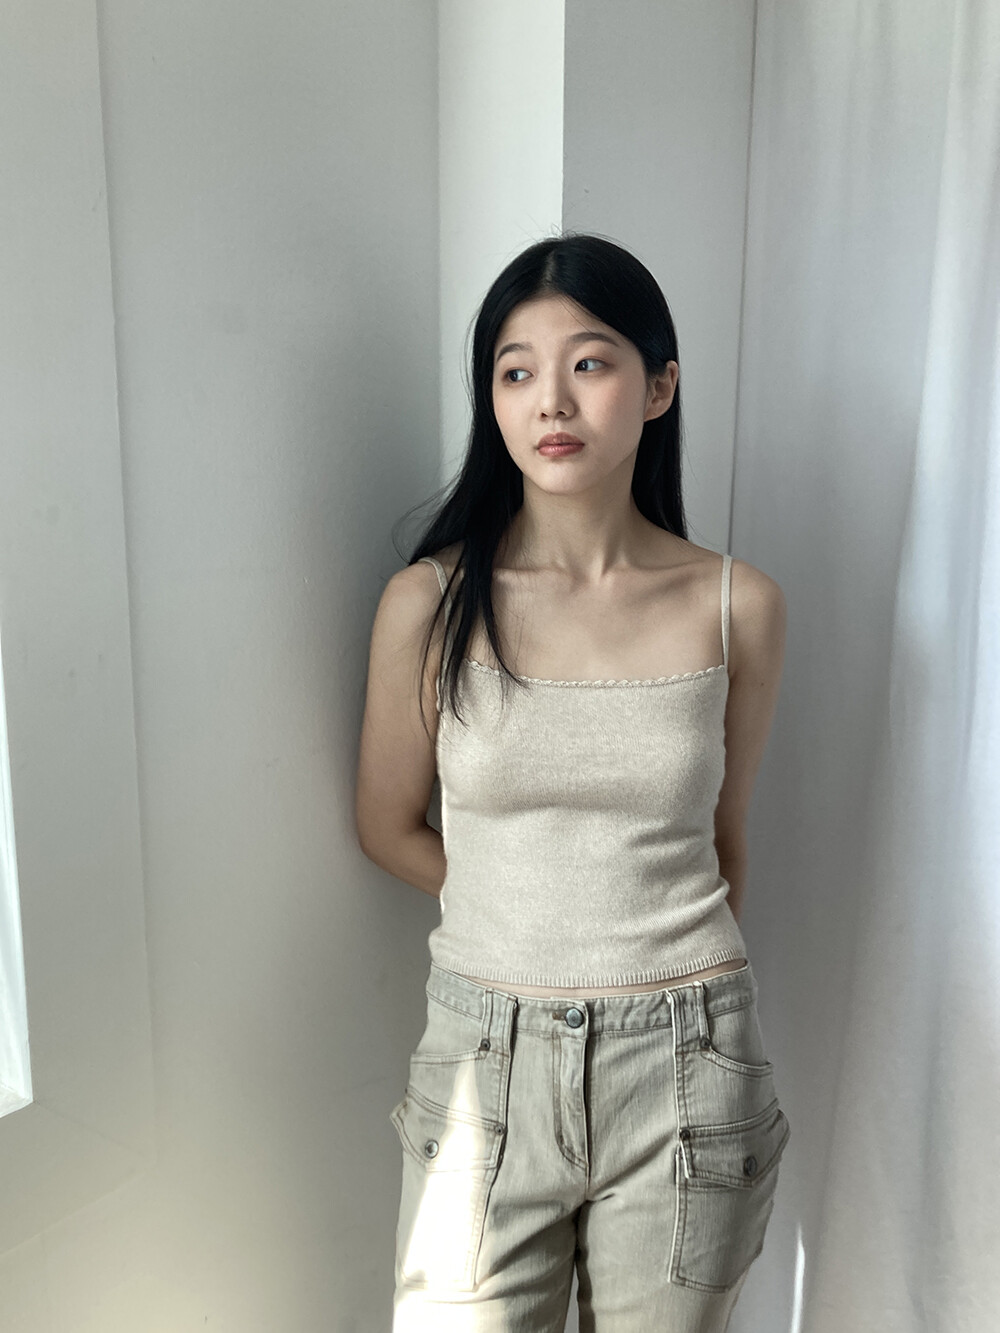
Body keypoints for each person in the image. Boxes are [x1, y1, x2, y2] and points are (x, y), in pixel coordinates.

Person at [356, 234, 790, 1332]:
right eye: (516, 371)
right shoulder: (429, 602)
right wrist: (531, 913)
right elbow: (385, 823)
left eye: (589, 362)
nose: (550, 398)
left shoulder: (737, 605)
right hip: (484, 1057)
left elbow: (724, 842)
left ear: (659, 387)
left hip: (690, 1059)